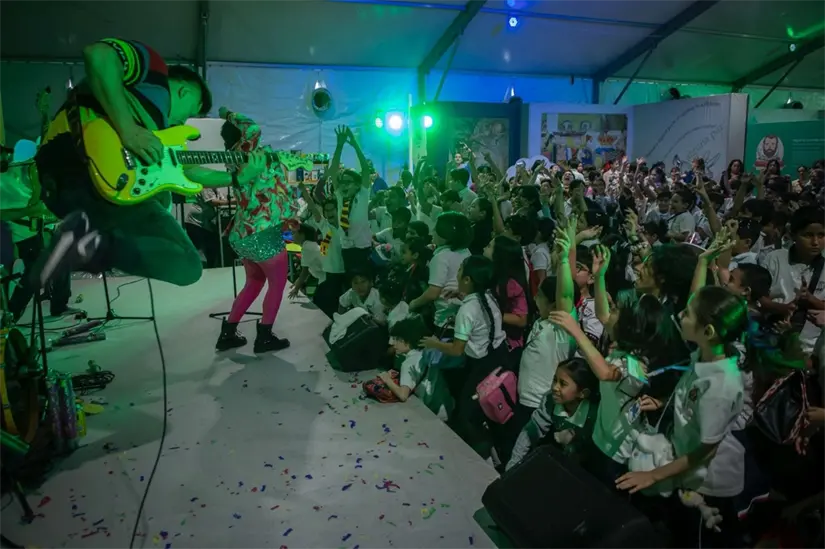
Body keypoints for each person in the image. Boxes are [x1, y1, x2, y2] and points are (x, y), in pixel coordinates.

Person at [34, 38, 267, 292]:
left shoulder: (163, 133)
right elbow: (98, 54)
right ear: (185, 92)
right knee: (185, 264)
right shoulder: (152, 68)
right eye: (192, 111)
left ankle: (83, 246)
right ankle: (86, 248)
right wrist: (128, 129)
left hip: (69, 194)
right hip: (77, 163)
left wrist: (236, 180)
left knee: (185, 260)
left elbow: (188, 172)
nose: (184, 120)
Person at [615, 286, 747, 549]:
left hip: (706, 485)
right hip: (686, 472)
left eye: (687, 313)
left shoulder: (719, 388)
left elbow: (705, 451)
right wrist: (665, 402)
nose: (679, 315)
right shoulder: (705, 353)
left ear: (707, 331)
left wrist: (653, 476)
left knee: (696, 539)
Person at [214, 110, 295, 353]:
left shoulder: (232, 156)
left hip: (242, 232)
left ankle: (228, 333)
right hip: (261, 230)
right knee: (278, 284)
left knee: (254, 282)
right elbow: (252, 126)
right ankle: (265, 337)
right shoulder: (247, 149)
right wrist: (227, 112)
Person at [421, 255, 506, 456]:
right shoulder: (488, 296)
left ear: (467, 279)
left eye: (460, 270)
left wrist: (435, 343)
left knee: (468, 410)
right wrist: (461, 297)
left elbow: (457, 349)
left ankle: (476, 450)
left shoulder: (467, 310)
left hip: (480, 364)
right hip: (497, 354)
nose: (457, 274)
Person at [506, 358, 599, 471]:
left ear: (582, 393)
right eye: (555, 380)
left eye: (563, 384)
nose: (555, 387)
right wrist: (513, 466)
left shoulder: (594, 415)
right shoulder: (550, 401)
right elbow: (530, 432)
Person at [378, 314, 453, 420]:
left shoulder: (408, 363)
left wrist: (386, 379)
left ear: (407, 342)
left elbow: (403, 395)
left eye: (397, 339)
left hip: (430, 413)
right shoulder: (430, 353)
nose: (394, 344)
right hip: (445, 406)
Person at [288, 223, 323, 300]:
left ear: (302, 235)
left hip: (325, 279)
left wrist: (296, 288)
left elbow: (305, 271)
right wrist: (298, 281)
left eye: (294, 233)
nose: (292, 236)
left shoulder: (307, 248)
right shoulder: (311, 245)